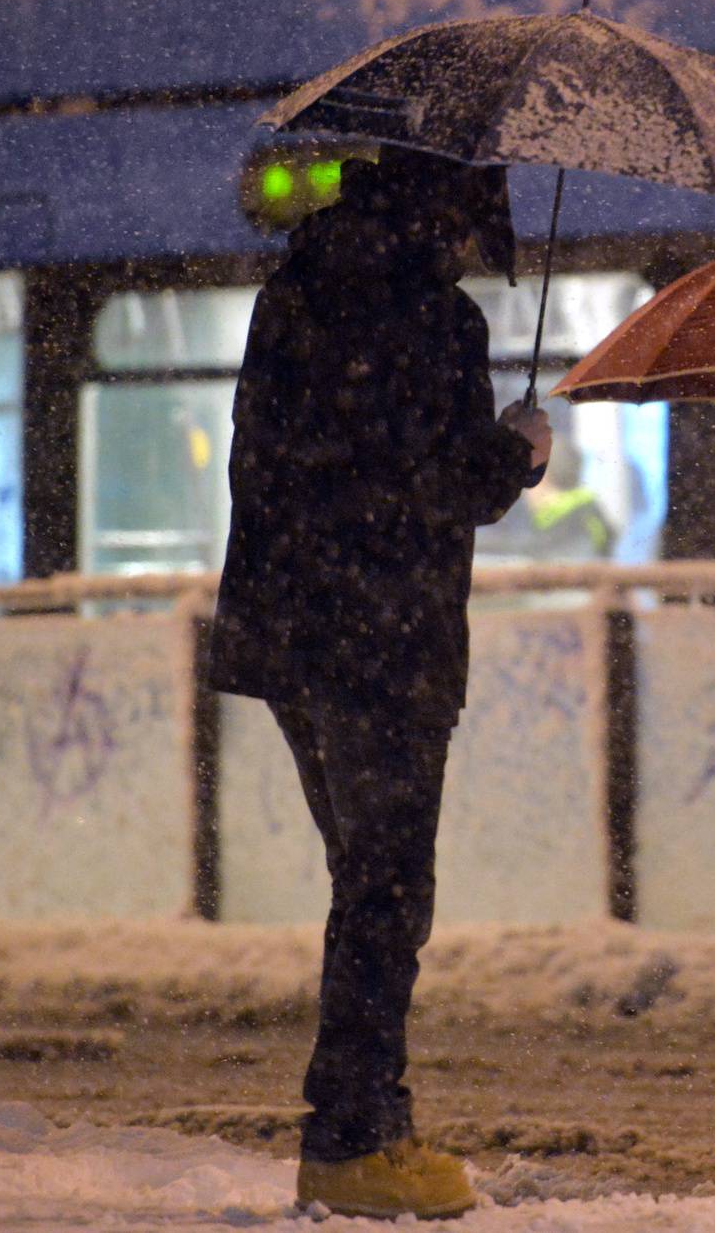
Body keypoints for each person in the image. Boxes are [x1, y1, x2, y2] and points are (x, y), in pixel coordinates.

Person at [206, 147, 552, 1220]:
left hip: (292, 644)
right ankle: (354, 1137)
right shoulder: (436, 320)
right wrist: (517, 455)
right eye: (466, 236)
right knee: (386, 894)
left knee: (364, 882)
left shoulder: (290, 291)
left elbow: (270, 462)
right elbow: (435, 487)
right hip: (386, 647)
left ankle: (369, 1115)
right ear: (445, 214)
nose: (465, 256)